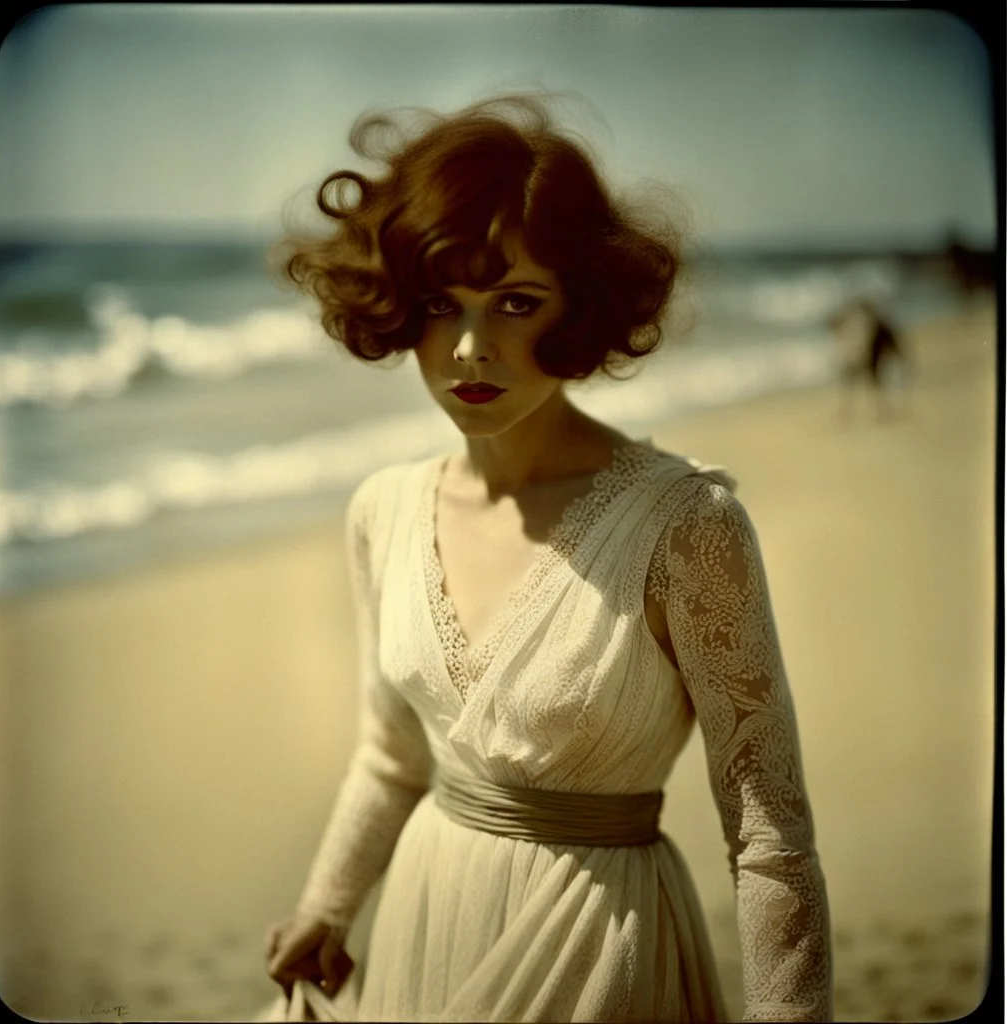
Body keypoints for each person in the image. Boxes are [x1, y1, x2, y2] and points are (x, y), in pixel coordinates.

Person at [264, 94, 832, 1022]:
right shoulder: (383, 511)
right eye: (440, 304)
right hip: (426, 919)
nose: (470, 348)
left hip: (601, 949)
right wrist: (326, 907)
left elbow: (770, 839)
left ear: (581, 304)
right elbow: (392, 757)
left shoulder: (687, 526)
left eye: (516, 304)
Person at [830, 298, 910, 423]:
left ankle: (879, 412)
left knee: (871, 388)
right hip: (863, 361)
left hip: (866, 361)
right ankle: (852, 414)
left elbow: (879, 345)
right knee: (864, 388)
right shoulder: (865, 327)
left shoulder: (873, 327)